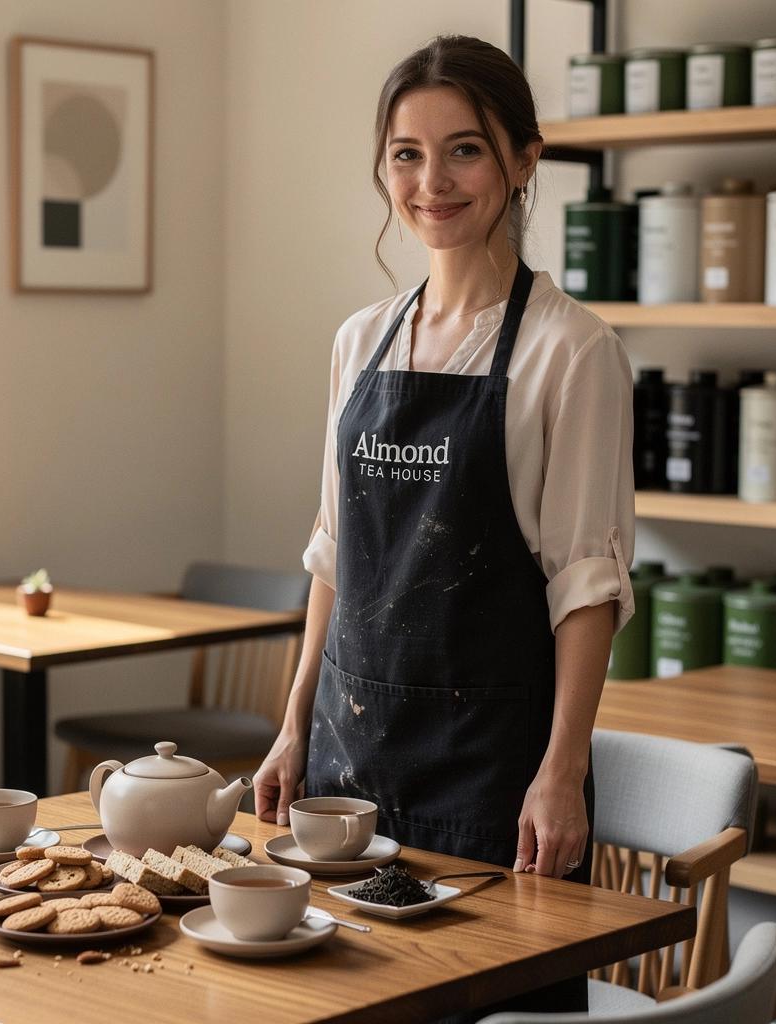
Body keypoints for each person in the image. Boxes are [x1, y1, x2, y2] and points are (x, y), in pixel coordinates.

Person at [253, 33, 635, 1016]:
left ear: (521, 160)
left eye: (463, 149)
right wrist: (291, 727)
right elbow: (333, 552)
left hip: (490, 778)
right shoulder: (357, 340)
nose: (432, 181)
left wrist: (562, 774)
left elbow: (585, 588)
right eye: (405, 153)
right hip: (347, 766)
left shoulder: (571, 352)